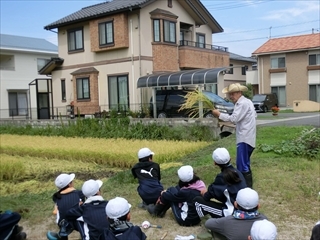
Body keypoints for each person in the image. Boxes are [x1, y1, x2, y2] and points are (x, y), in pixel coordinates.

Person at [212, 83, 256, 188]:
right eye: (229, 94)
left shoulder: (241, 104)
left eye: (232, 94)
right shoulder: (248, 102)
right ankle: (247, 187)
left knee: (242, 165)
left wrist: (219, 114)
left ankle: (245, 187)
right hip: (249, 137)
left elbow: (234, 119)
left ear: (239, 93)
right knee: (245, 163)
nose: (231, 97)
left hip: (244, 138)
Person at [194, 147, 246, 219]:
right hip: (243, 208)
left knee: (197, 200)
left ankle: (202, 220)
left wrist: (204, 192)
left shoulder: (221, 177)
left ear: (215, 163)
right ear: (230, 158)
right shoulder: (238, 172)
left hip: (232, 212)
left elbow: (207, 196)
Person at [50, 173, 85, 240]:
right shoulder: (79, 193)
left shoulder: (56, 197)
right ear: (69, 184)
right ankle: (84, 236)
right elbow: (82, 204)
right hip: (77, 221)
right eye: (71, 181)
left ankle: (62, 237)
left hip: (63, 222)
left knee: (63, 225)